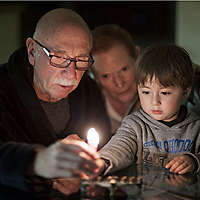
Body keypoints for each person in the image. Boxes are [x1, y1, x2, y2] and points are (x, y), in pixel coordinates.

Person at [0, 8, 106, 197]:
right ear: (32, 52)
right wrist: (40, 163)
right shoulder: (4, 90)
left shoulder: (88, 90)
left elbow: (105, 144)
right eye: (59, 58)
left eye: (81, 60)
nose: (72, 74)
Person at [98, 44, 200, 175]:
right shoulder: (134, 125)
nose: (154, 102)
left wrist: (194, 161)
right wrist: (102, 162)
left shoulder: (196, 127)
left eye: (165, 93)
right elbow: (119, 147)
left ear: (185, 92)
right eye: (146, 92)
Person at [91, 24, 140, 134]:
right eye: (106, 76)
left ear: (136, 56)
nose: (119, 82)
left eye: (124, 69)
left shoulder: (161, 96)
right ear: (93, 75)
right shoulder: (89, 104)